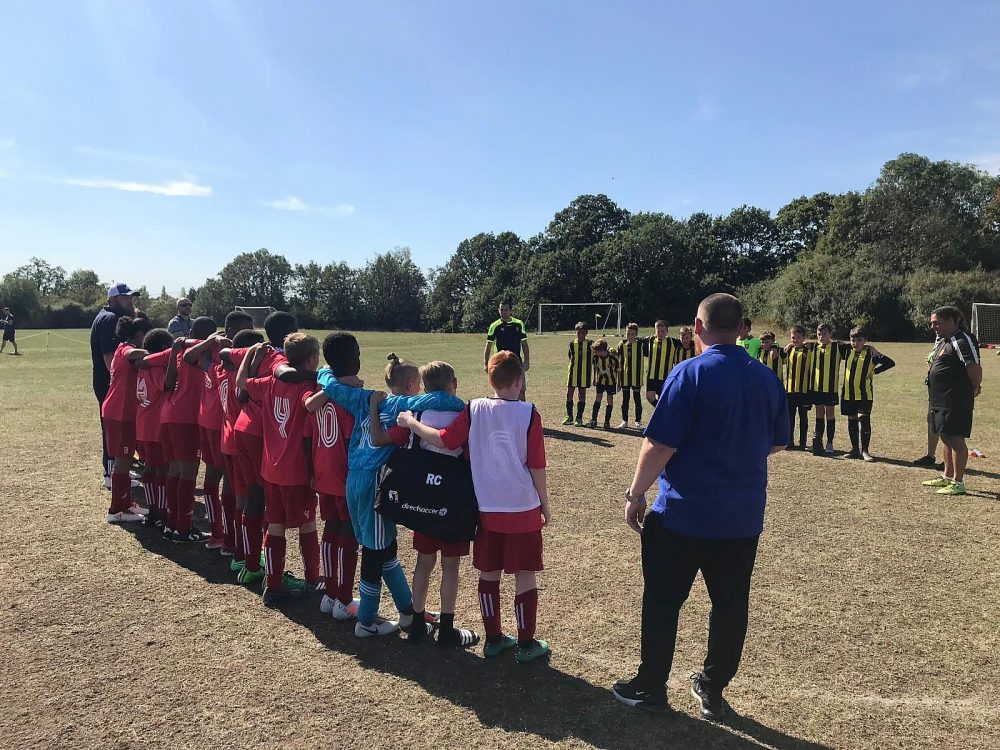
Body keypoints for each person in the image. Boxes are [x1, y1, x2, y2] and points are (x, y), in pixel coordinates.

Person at [613, 293, 788, 719]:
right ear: (742, 328)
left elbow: (658, 443)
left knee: (662, 600)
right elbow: (780, 440)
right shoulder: (766, 377)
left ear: (697, 327)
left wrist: (636, 494)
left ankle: (651, 685)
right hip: (741, 517)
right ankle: (712, 687)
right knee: (730, 605)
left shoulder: (689, 373)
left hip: (682, 515)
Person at [306, 336, 466, 638]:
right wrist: (467, 407)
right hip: (374, 481)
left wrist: (327, 369)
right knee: (375, 552)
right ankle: (366, 621)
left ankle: (407, 610)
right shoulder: (400, 404)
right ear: (410, 384)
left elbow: (330, 384)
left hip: (353, 479)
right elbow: (440, 400)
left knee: (386, 548)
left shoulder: (365, 397)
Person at [399, 350, 551, 663]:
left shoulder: (475, 408)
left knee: (490, 573)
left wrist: (413, 424)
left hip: (487, 509)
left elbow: (443, 440)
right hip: (522, 508)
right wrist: (545, 505)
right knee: (524, 574)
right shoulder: (529, 413)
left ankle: (493, 639)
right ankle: (525, 645)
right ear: (519, 380)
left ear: (490, 380)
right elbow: (537, 465)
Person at [370, 361, 480, 648]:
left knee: (423, 562)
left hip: (422, 500)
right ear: (454, 382)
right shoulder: (465, 413)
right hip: (453, 502)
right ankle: (447, 629)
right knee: (451, 567)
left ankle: (417, 623)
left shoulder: (414, 411)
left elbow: (394, 439)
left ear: (424, 386)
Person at [241, 333, 323, 606]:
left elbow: (241, 384)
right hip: (297, 471)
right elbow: (310, 409)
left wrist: (251, 357)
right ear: (312, 358)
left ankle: (273, 586)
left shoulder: (269, 382)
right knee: (308, 524)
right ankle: (313, 580)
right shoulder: (307, 385)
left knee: (274, 525)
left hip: (271, 469)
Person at [225, 311, 298, 586]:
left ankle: (250, 560)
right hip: (260, 432)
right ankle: (268, 571)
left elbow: (224, 356)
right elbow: (285, 375)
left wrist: (248, 357)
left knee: (252, 495)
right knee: (269, 500)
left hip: (243, 427)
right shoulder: (280, 358)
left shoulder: (258, 351)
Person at [218, 328, 265, 574]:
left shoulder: (223, 369)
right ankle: (242, 553)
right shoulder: (244, 375)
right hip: (242, 441)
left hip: (228, 437)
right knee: (246, 499)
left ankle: (234, 545)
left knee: (236, 494)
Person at [921, 307, 982, 496]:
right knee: (945, 437)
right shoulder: (943, 341)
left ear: (952, 321)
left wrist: (973, 387)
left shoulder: (962, 340)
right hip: (940, 398)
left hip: (955, 399)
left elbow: (974, 368)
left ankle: (958, 481)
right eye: (932, 323)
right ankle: (947, 476)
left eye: (937, 322)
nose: (933, 326)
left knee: (955, 438)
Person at [101, 314, 153, 522]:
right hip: (120, 413)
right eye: (144, 336)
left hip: (118, 411)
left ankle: (125, 504)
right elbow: (135, 353)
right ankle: (116, 511)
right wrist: (157, 352)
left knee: (123, 461)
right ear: (137, 335)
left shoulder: (120, 348)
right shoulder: (126, 349)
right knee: (122, 461)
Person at [91, 283, 141, 488]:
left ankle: (119, 470)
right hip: (110, 381)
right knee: (113, 427)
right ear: (112, 299)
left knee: (115, 427)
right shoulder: (110, 319)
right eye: (125, 298)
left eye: (131, 297)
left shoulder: (109, 316)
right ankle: (111, 473)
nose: (130, 301)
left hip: (109, 381)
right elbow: (110, 358)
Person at [132, 328, 174, 528]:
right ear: (165, 349)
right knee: (162, 469)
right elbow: (167, 385)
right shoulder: (156, 369)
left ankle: (152, 508)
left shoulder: (141, 368)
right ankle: (160, 510)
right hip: (156, 427)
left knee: (149, 467)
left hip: (142, 425)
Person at [841, 327, 895, 461]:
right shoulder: (847, 351)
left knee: (864, 420)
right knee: (852, 419)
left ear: (865, 340)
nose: (855, 343)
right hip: (848, 393)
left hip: (864, 394)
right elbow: (830, 343)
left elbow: (890, 363)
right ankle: (854, 449)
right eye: (853, 340)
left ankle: (865, 451)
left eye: (859, 340)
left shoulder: (871, 353)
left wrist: (875, 372)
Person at [806, 323, 851, 456]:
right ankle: (817, 442)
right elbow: (797, 344)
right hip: (816, 388)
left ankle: (829, 442)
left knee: (829, 415)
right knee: (819, 415)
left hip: (830, 389)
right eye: (819, 334)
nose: (821, 336)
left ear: (830, 334)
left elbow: (856, 346)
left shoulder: (838, 346)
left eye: (824, 333)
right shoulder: (813, 346)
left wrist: (869, 347)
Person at [484, 301, 530, 400]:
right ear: (499, 311)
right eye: (502, 310)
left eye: (506, 309)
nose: (504, 312)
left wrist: (527, 360)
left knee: (521, 390)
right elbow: (488, 346)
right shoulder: (494, 326)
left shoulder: (519, 324)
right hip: (500, 364)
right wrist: (486, 363)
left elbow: (524, 344)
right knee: (502, 391)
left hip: (516, 363)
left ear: (510, 310)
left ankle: (522, 414)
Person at [913, 335, 944, 469]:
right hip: (934, 387)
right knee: (932, 418)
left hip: (948, 389)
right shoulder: (939, 339)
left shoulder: (959, 339)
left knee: (945, 422)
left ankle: (949, 459)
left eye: (936, 323)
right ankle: (930, 456)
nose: (933, 327)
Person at [783, 326, 813, 450]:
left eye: (798, 337)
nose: (795, 340)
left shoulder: (808, 350)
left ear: (803, 338)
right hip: (790, 390)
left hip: (804, 390)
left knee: (803, 418)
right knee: (790, 417)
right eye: (793, 337)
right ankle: (789, 441)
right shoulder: (788, 350)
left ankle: (803, 442)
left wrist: (807, 344)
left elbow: (816, 344)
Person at [563, 322, 593, 426]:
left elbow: (598, 351)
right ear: (575, 332)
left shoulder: (590, 344)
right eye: (578, 332)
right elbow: (570, 357)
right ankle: (569, 416)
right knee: (569, 394)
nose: (580, 334)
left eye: (582, 333)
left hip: (584, 373)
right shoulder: (572, 344)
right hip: (572, 372)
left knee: (582, 394)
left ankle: (579, 418)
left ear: (586, 333)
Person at [616, 323, 645, 429]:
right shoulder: (621, 344)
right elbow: (617, 358)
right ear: (625, 333)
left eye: (633, 334)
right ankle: (624, 421)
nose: (630, 336)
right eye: (628, 333)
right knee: (625, 399)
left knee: (637, 399)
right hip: (625, 376)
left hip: (636, 377)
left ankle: (638, 421)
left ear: (636, 334)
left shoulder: (640, 344)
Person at [588, 339, 619, 429]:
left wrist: (619, 383)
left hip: (611, 382)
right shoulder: (595, 357)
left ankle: (607, 421)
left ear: (602, 351)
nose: (594, 352)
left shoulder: (612, 357)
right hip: (600, 381)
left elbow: (618, 370)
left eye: (596, 351)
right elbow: (595, 368)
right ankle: (593, 419)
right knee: (598, 398)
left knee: (610, 400)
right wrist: (594, 378)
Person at [644, 320, 675, 407]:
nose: (660, 333)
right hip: (651, 375)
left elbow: (685, 344)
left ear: (667, 332)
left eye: (663, 331)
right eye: (658, 331)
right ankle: (661, 411)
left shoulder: (672, 342)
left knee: (663, 398)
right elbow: (635, 341)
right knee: (650, 397)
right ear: (655, 331)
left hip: (665, 376)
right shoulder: (649, 340)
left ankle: (662, 415)